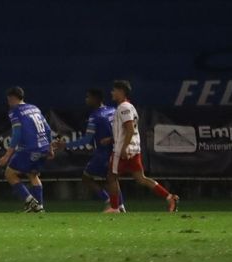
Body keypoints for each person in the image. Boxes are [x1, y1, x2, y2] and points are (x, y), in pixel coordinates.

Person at [107, 80, 179, 214]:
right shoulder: (130, 107)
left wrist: (123, 147)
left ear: (121, 91)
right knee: (141, 178)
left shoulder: (124, 107)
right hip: (133, 148)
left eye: (114, 90)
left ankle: (115, 207)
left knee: (111, 177)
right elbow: (126, 130)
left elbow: (129, 129)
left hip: (124, 149)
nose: (112, 93)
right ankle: (169, 197)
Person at [51, 88, 121, 212]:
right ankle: (119, 206)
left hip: (102, 154)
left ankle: (110, 201)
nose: (86, 100)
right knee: (112, 180)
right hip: (115, 152)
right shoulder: (113, 110)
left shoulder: (95, 116)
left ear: (96, 99)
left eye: (88, 97)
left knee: (87, 178)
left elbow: (87, 140)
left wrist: (65, 145)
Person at [0, 86, 52, 213]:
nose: (8, 102)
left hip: (29, 148)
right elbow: (47, 129)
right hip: (43, 147)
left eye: (8, 99)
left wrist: (6, 156)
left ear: (12, 98)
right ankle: (39, 208)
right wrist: (50, 148)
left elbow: (17, 133)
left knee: (9, 173)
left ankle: (30, 201)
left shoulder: (14, 111)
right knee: (33, 175)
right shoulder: (34, 108)